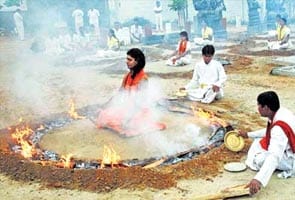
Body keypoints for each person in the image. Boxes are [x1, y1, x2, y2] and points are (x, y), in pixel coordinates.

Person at [96, 48, 166, 136]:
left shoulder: (143, 79)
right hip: (128, 108)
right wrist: (106, 105)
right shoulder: (127, 76)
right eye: (126, 59)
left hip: (139, 111)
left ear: (137, 61)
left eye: (129, 59)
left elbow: (141, 101)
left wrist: (129, 117)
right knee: (105, 114)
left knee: (132, 124)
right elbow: (119, 93)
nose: (126, 61)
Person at [238, 91, 295, 195]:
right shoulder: (280, 112)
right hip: (285, 146)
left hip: (290, 158)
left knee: (259, 160)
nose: (257, 108)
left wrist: (258, 179)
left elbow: (275, 155)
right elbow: (268, 132)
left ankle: (280, 168)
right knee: (258, 140)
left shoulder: (278, 129)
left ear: (266, 108)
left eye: (259, 105)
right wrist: (248, 134)